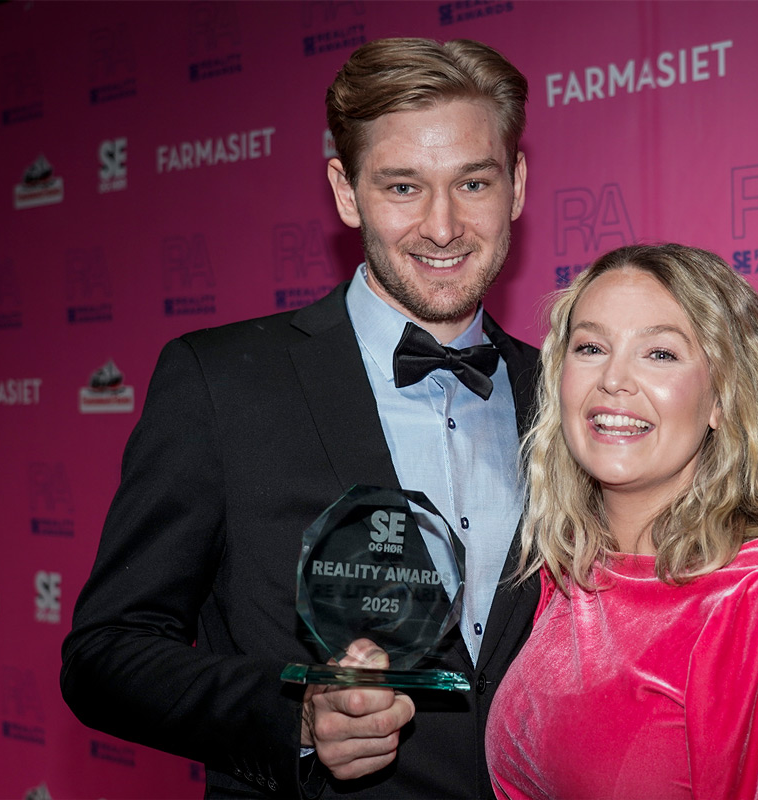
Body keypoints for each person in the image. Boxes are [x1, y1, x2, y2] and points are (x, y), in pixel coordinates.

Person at [62, 38, 540, 799]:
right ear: (346, 193)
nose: (444, 227)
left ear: (515, 185)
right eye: (403, 187)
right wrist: (295, 714)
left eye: (473, 182)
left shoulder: (566, 399)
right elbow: (105, 653)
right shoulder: (220, 382)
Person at [486, 244, 758, 800]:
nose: (614, 379)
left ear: (721, 399)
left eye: (660, 354)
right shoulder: (562, 576)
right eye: (590, 347)